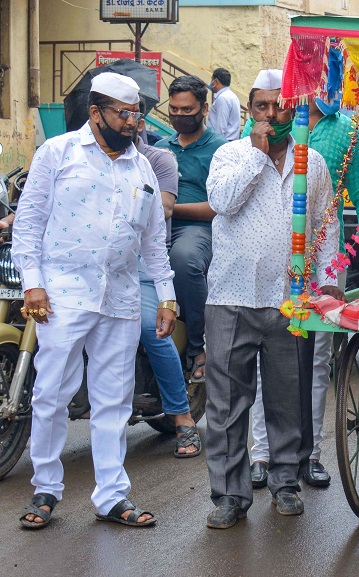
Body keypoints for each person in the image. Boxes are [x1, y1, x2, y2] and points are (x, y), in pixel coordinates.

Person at [14, 72, 176, 529]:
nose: (132, 123)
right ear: (96, 113)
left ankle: (112, 496)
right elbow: (28, 224)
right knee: (50, 392)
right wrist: (33, 283)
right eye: (123, 114)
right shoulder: (57, 153)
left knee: (113, 401)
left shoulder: (142, 168)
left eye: (136, 115)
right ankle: (46, 487)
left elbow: (152, 242)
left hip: (120, 298)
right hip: (62, 293)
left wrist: (166, 296)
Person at [203, 69, 343, 529]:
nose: (271, 115)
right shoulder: (229, 155)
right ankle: (229, 495)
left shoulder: (313, 162)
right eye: (261, 107)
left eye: (279, 106)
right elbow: (222, 202)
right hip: (231, 295)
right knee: (226, 403)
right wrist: (257, 158)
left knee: (289, 398)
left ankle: (286, 482)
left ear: (295, 109)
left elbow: (325, 227)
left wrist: (329, 282)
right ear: (249, 111)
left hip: (290, 300)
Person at [247, 95, 359, 489]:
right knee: (264, 359)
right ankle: (261, 453)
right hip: (268, 261)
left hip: (324, 263)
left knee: (317, 360)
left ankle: (311, 455)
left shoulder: (345, 128)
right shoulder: (268, 118)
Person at [134, 100, 201, 458]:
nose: (127, 121)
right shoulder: (83, 157)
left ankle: (182, 417)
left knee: (151, 328)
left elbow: (163, 209)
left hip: (146, 262)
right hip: (97, 268)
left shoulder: (158, 159)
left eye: (132, 114)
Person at [156, 75, 228, 385]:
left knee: (183, 259)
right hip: (157, 228)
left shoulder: (221, 150)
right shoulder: (159, 148)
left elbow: (218, 207)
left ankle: (199, 348)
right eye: (174, 109)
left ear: (204, 109)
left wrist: (172, 209)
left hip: (198, 229)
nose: (180, 115)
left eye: (187, 110)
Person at [207, 68, 242, 141]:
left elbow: (221, 126)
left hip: (222, 142)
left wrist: (216, 143)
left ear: (216, 81)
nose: (211, 83)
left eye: (212, 80)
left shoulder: (223, 98)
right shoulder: (232, 96)